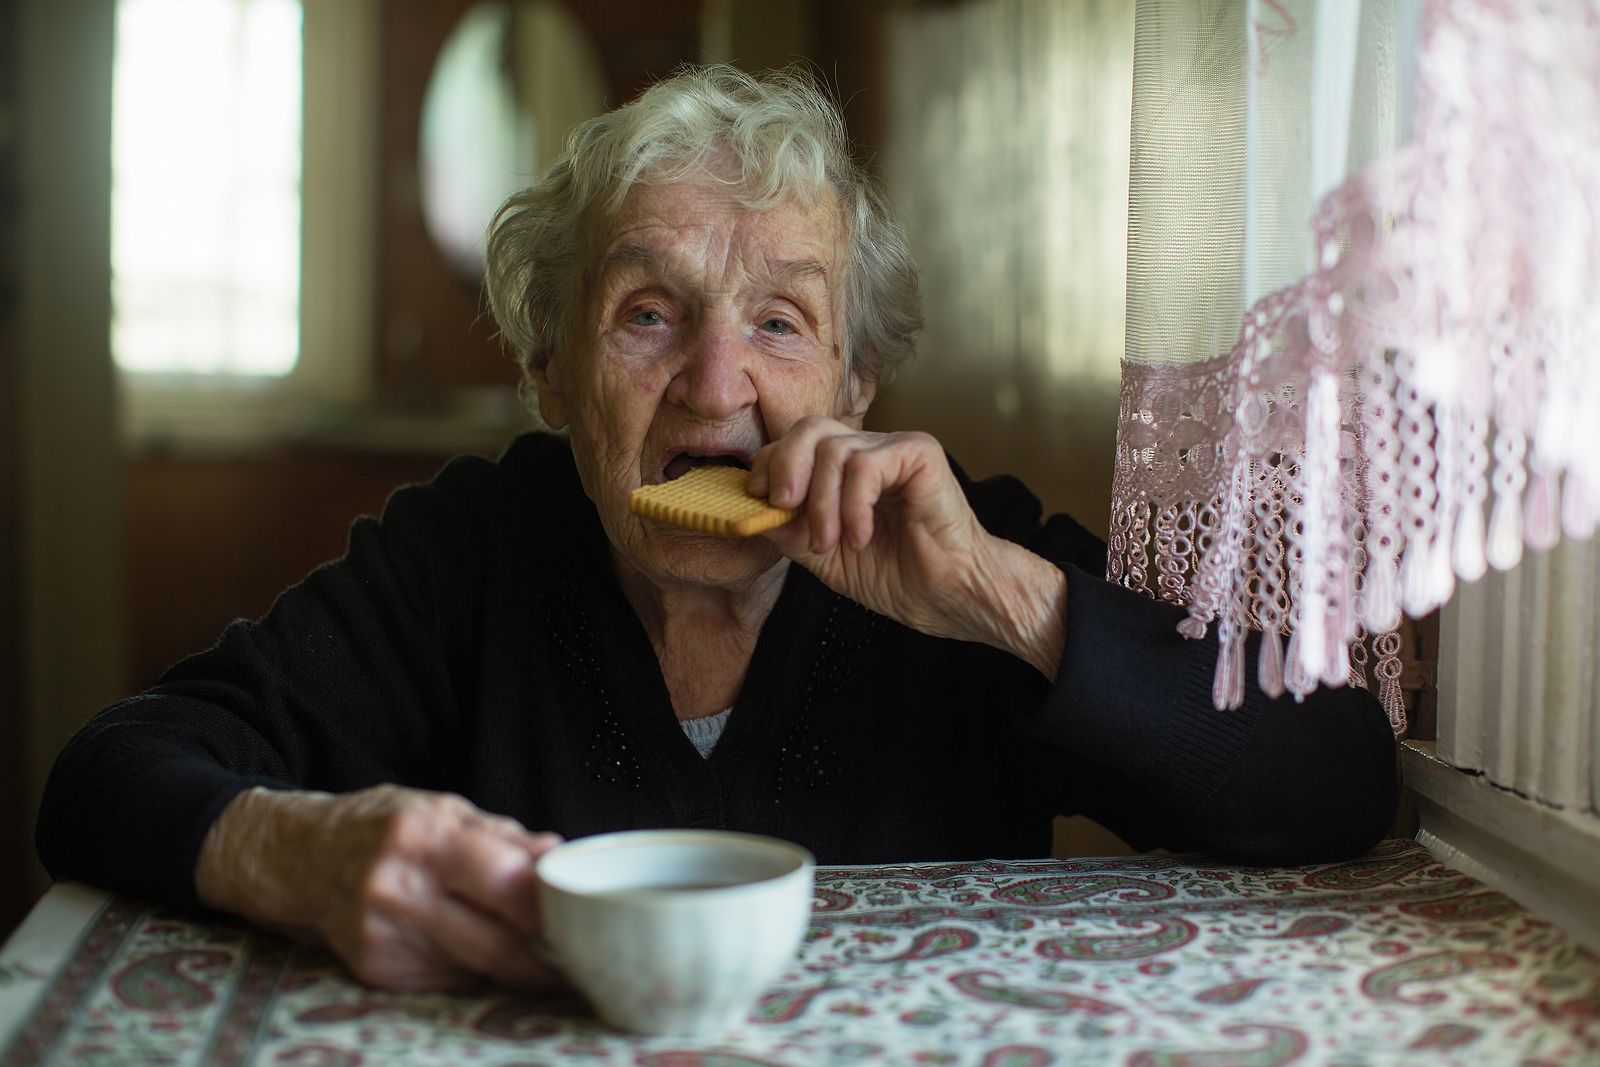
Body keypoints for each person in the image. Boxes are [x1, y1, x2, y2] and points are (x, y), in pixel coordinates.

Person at [37, 65, 1397, 995]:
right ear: (549, 372)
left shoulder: (953, 548)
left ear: (855, 387)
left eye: (782, 321)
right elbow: (108, 772)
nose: (716, 382)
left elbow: (1336, 778)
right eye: (647, 312)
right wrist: (303, 849)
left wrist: (1002, 600)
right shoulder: (472, 555)